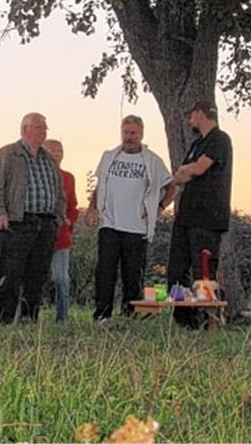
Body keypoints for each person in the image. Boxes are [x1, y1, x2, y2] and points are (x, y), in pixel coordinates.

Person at [86, 115, 174, 323]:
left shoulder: (152, 161)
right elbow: (100, 186)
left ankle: (129, 315)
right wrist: (92, 208)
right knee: (105, 271)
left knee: (132, 274)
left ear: (141, 134)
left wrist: (159, 207)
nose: (129, 137)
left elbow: (172, 187)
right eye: (126, 132)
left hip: (137, 227)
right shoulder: (109, 157)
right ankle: (102, 315)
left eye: (133, 133)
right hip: (109, 223)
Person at [0, 112, 66, 324]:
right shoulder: (8, 154)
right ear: (25, 129)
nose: (43, 132)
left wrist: (57, 217)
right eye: (39, 127)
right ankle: (2, 319)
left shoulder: (48, 159)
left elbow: (59, 192)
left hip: (46, 223)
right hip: (18, 222)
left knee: (37, 275)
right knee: (11, 274)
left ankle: (29, 318)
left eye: (45, 128)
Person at [166, 99, 233, 329]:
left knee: (202, 270)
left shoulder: (219, 139)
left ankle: (209, 320)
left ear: (201, 114)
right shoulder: (197, 144)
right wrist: (184, 172)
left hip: (207, 217)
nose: (190, 120)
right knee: (176, 268)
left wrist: (186, 171)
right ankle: (184, 321)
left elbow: (198, 168)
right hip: (185, 216)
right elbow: (180, 175)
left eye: (191, 115)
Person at [43, 139, 79, 323]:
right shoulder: (37, 176)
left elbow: (73, 205)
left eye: (59, 149)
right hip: (39, 234)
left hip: (61, 236)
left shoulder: (68, 178)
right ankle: (27, 314)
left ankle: (62, 317)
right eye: (50, 149)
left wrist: (69, 223)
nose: (55, 152)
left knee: (60, 278)